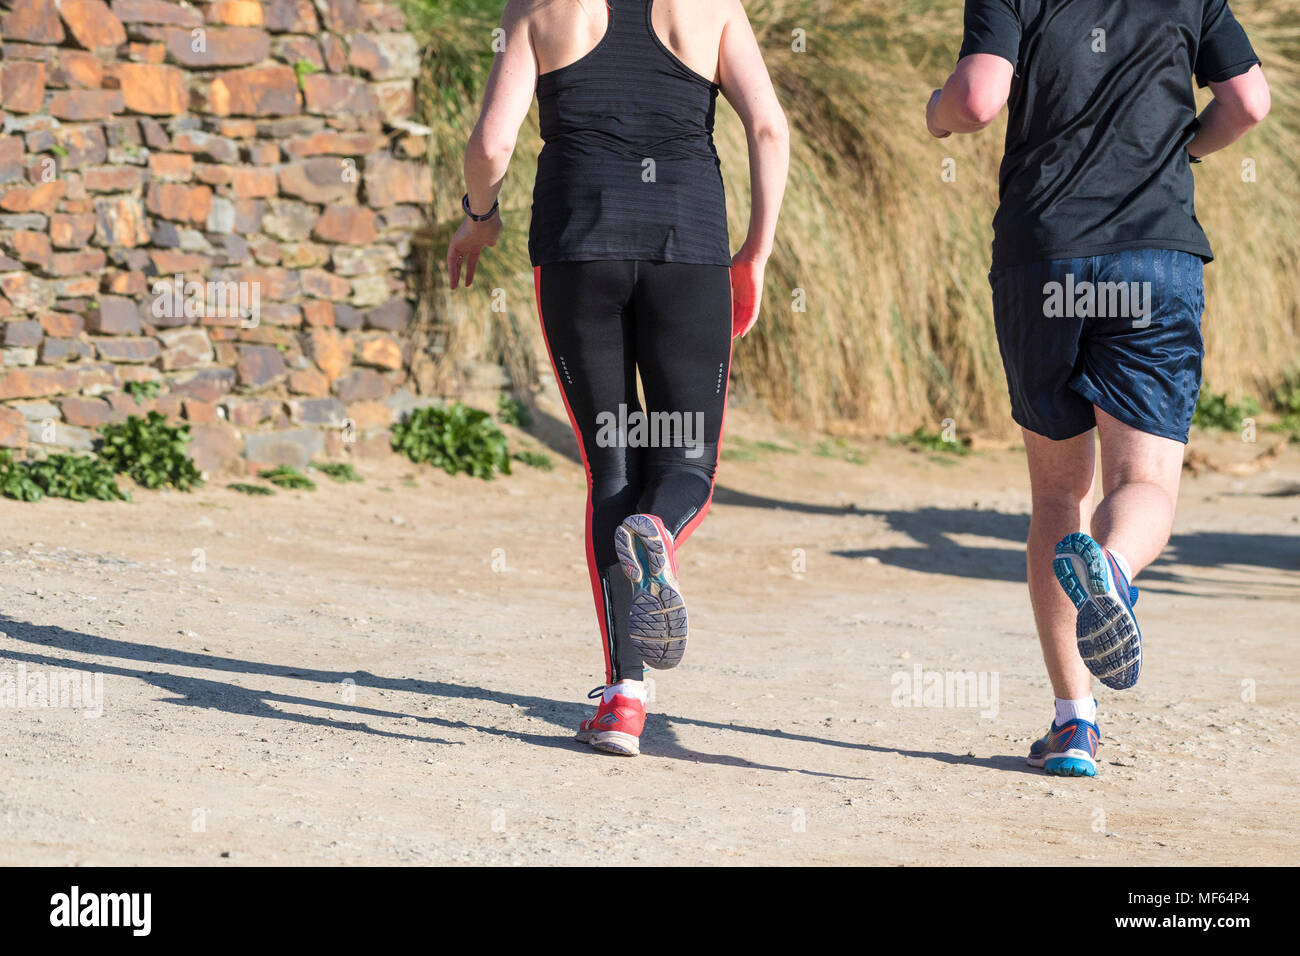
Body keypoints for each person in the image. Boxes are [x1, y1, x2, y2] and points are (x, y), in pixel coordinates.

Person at [927, 1, 1269, 775]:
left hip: (1043, 257)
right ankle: (1111, 569)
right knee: (1143, 481)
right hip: (1154, 257)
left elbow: (978, 98)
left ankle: (1074, 722)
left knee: (1057, 496)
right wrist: (1187, 151)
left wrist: (936, 118)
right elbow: (1248, 101)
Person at [447, 0, 789, 756]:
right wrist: (756, 253)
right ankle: (659, 530)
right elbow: (766, 126)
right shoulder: (711, 8)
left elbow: (492, 141)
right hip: (688, 249)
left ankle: (625, 701)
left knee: (611, 470)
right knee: (687, 465)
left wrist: (480, 215)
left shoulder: (537, 8)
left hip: (577, 252)